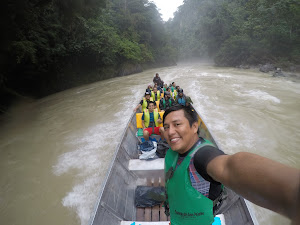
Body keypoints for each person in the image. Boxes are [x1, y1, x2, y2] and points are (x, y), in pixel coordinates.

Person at [162, 105, 300, 225]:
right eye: (166, 127)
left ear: (194, 127)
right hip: (176, 219)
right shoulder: (174, 148)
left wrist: (293, 193)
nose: (170, 132)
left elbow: (229, 167)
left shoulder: (202, 156)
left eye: (177, 124)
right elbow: (166, 133)